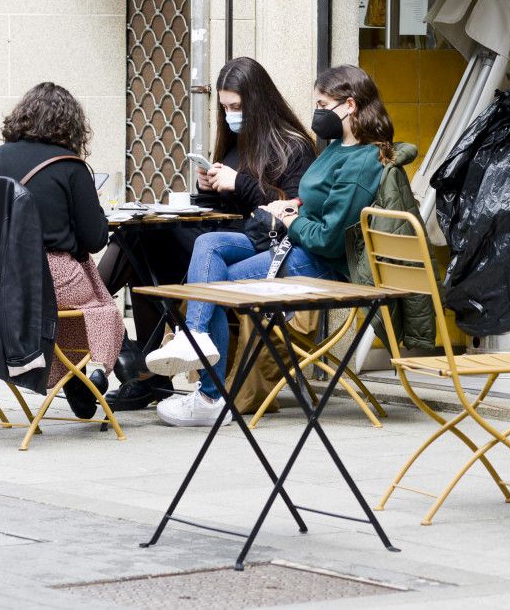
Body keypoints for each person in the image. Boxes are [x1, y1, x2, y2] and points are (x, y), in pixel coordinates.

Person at [145, 64, 393, 426]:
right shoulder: (336, 148)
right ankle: (197, 342)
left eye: (323, 104)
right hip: (287, 241)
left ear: (350, 106)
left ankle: (209, 392)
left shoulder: (361, 160)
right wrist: (294, 206)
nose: (317, 113)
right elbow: (316, 202)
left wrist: (292, 218)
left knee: (218, 281)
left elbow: (329, 238)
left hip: (319, 261)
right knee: (210, 247)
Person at [101, 57, 316, 410]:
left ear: (258, 102)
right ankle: (130, 352)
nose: (230, 114)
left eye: (236, 106)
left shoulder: (293, 145)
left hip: (256, 244)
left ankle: (82, 310)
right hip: (224, 232)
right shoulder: (234, 141)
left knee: (146, 247)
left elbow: (289, 207)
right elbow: (230, 202)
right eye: (225, 107)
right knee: (138, 239)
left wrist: (239, 182)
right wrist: (210, 187)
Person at [0, 82, 125, 419]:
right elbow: (95, 239)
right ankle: (92, 370)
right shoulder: (69, 166)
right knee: (98, 304)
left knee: (68, 298)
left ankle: (74, 377)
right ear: (70, 124)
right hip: (46, 276)